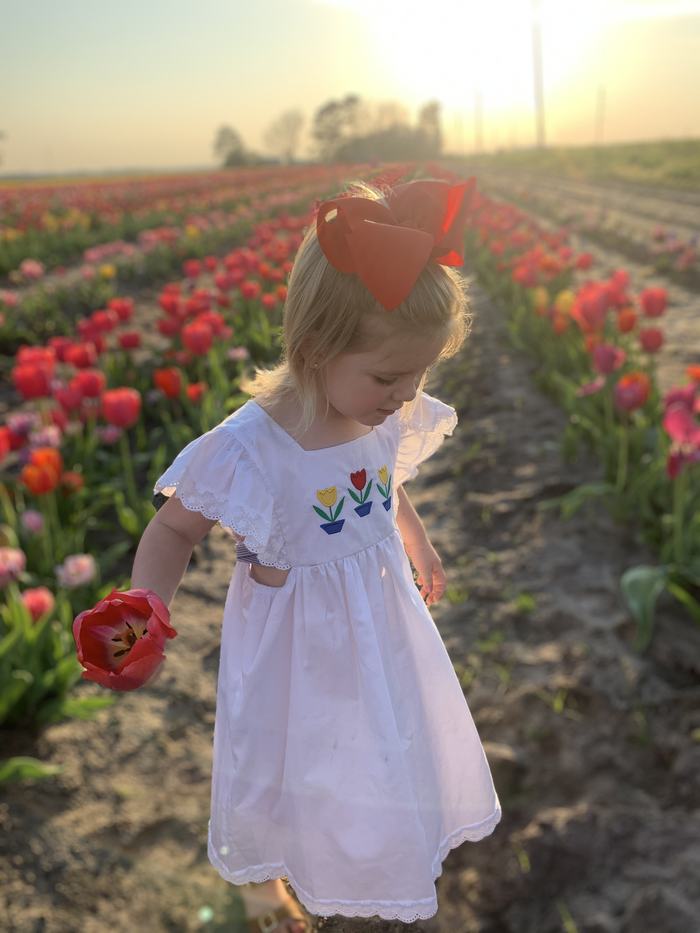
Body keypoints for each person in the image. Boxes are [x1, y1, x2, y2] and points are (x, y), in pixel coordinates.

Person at [132, 176, 502, 930]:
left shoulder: (375, 409)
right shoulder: (252, 446)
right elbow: (172, 530)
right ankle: (268, 884)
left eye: (420, 374)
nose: (405, 395)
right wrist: (145, 606)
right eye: (390, 376)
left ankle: (374, 861)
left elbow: (379, 481)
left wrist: (415, 535)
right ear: (313, 347)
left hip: (379, 621)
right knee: (283, 764)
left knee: (379, 739)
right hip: (296, 649)